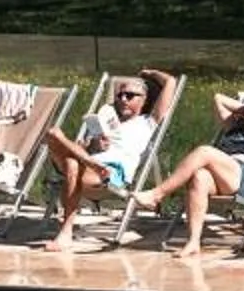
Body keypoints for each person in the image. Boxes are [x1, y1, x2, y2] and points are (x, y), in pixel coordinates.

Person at [140, 88, 244, 258]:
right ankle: (193, 242)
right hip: (223, 174)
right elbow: (218, 98)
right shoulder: (234, 126)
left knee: (204, 151)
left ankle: (157, 194)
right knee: (199, 177)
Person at [38, 67, 178, 251]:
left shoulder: (147, 122)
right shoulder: (105, 120)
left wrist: (150, 73)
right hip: (92, 165)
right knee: (52, 133)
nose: (123, 99)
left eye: (130, 95)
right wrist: (92, 147)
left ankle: (66, 233)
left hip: (110, 173)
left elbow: (171, 83)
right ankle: (91, 163)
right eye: (120, 95)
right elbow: (78, 148)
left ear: (144, 101)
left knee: (72, 163)